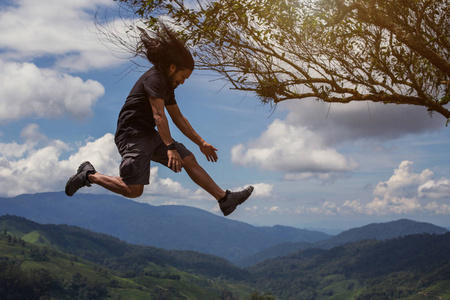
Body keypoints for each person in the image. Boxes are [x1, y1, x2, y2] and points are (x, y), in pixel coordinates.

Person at [65, 23, 253, 216]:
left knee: (188, 158)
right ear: (172, 67)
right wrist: (170, 148)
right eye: (182, 76)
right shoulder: (155, 79)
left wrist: (201, 143)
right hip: (132, 135)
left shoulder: (168, 86)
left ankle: (224, 199)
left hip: (149, 134)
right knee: (134, 191)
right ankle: (89, 175)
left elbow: (178, 117)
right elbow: (159, 115)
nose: (183, 81)